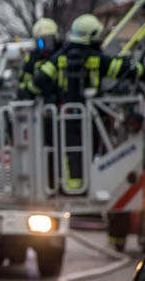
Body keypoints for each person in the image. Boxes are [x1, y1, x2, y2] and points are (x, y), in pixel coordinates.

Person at [29, 13, 145, 190]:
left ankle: (72, 188)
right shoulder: (97, 58)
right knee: (93, 152)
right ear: (92, 35)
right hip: (93, 117)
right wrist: (136, 66)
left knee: (68, 153)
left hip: (64, 117)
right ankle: (91, 186)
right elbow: (126, 71)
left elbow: (38, 82)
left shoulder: (60, 56)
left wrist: (48, 98)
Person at [17, 18, 61, 99]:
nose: (45, 46)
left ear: (56, 39)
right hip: (40, 103)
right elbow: (23, 83)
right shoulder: (33, 59)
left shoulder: (62, 55)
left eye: (49, 41)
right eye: (41, 42)